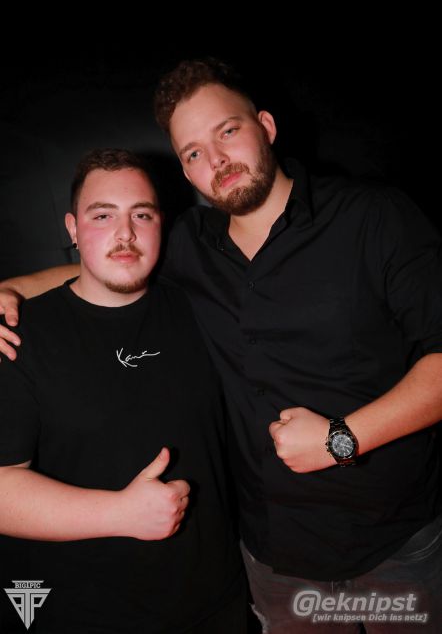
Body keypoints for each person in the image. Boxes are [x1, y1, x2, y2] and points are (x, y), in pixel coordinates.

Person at [1, 60, 442, 632]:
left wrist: (341, 439)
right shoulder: (189, 246)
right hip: (274, 559)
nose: (216, 160)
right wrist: (8, 289)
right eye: (193, 152)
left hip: (395, 545)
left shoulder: (374, 217)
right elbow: (109, 262)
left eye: (227, 131)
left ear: (266, 126)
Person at [0, 148, 246, 633]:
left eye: (141, 214)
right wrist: (119, 513)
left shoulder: (202, 308)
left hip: (217, 601)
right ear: (72, 229)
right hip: (86, 613)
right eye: (102, 215)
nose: (125, 233)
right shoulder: (19, 335)